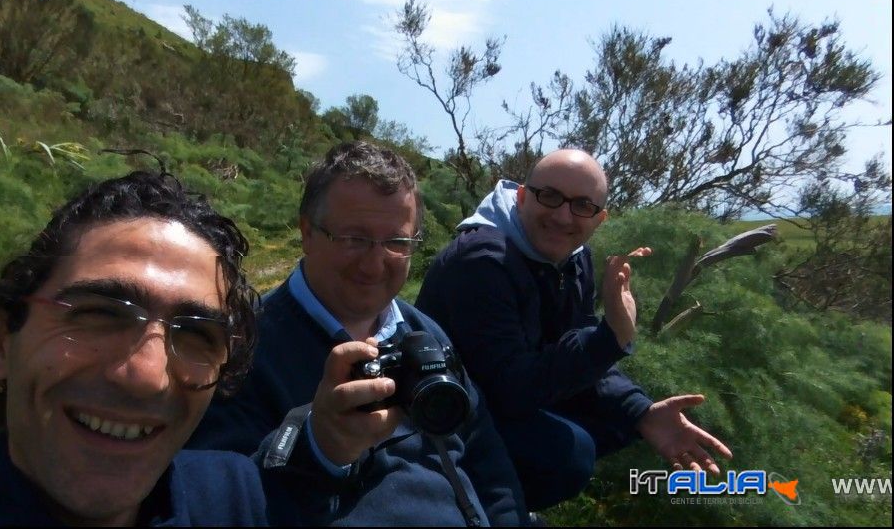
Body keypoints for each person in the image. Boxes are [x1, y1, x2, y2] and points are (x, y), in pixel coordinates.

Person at [0, 170, 269, 526]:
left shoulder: (231, 494)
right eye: (100, 315)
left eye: (197, 334)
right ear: (0, 342)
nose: (147, 377)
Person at [188, 141, 526, 526]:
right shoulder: (242, 346)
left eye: (397, 242)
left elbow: (486, 459)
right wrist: (317, 448)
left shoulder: (424, 333)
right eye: (354, 238)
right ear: (307, 232)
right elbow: (215, 501)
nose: (374, 263)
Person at [416, 149, 732, 511]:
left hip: (503, 394)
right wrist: (612, 336)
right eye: (549, 196)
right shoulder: (482, 261)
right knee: (569, 453)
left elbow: (572, 345)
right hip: (446, 414)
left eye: (582, 205)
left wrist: (641, 410)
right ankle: (464, 506)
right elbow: (511, 389)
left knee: (620, 421)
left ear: (599, 218)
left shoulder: (573, 257)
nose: (563, 216)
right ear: (521, 196)